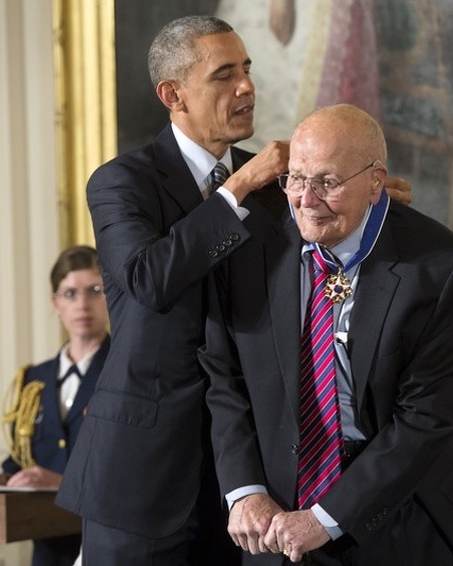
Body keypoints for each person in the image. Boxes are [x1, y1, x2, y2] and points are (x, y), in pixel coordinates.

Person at [55, 15, 412, 566]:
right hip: (141, 471)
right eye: (224, 75)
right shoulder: (122, 181)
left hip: (250, 472)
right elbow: (150, 280)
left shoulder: (283, 187)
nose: (246, 87)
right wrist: (240, 185)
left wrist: (366, 206)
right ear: (173, 94)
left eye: (246, 70)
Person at [199, 103, 453, 565]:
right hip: (274, 512)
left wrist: (326, 517)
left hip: (401, 515)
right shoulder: (251, 245)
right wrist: (245, 490)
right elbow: (225, 375)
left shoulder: (440, 267)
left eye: (328, 183)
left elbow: (425, 417)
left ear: (377, 181)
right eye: (296, 178)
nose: (306, 199)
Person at [0, 245, 110, 566]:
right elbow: (24, 458)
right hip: (47, 547)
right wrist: (0, 478)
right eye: (69, 293)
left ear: (110, 295)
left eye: (94, 290)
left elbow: (129, 471)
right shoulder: (34, 379)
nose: (82, 304)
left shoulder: (122, 372)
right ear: (55, 303)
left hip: (102, 541)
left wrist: (62, 483)